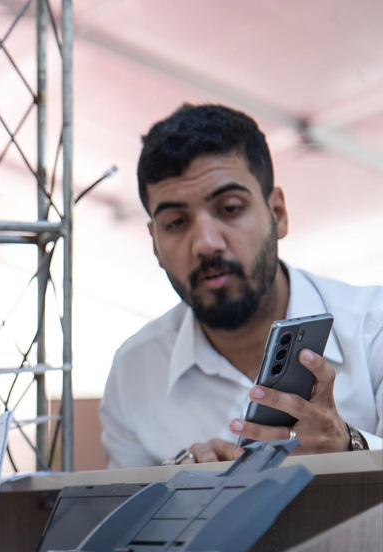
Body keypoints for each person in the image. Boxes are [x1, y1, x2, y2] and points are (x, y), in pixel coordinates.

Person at [100, 103, 383, 469]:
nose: (206, 244)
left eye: (230, 208)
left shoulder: (373, 328)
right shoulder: (134, 371)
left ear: (278, 214)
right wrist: (178, 491)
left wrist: (350, 448)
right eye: (177, 222)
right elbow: (127, 507)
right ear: (155, 243)